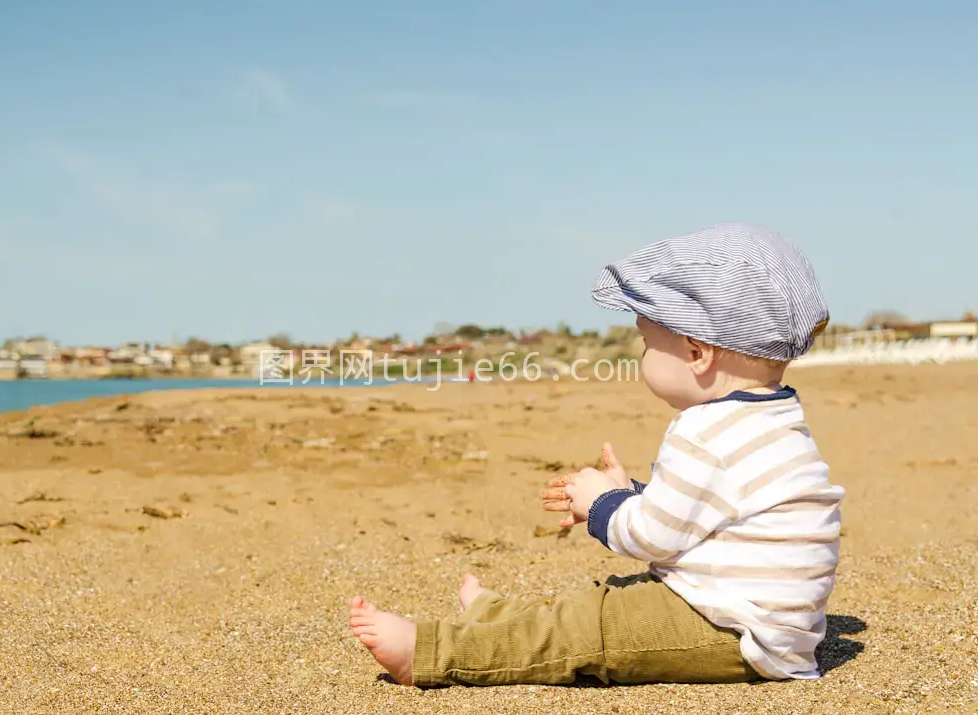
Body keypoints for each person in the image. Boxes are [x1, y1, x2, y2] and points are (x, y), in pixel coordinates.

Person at [348, 222, 844, 687]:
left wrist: (602, 506)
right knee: (605, 601)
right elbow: (709, 513)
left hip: (733, 631)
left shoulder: (703, 430)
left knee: (588, 628)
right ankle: (496, 616)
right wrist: (633, 494)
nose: (642, 354)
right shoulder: (775, 418)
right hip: (768, 625)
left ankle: (431, 652)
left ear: (697, 353)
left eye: (649, 343)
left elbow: (652, 537)